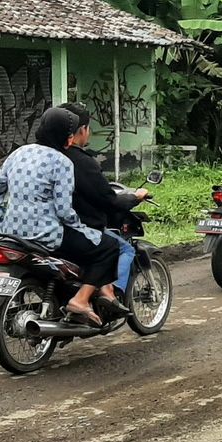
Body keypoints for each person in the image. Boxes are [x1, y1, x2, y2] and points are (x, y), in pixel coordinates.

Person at [0, 107, 124, 326]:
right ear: (68, 138)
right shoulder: (62, 162)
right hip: (46, 237)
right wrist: (83, 229)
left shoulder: (18, 153)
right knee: (108, 246)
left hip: (11, 236)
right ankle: (80, 300)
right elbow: (64, 210)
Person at [59, 102, 147, 303]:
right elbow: (108, 200)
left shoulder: (41, 157)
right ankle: (110, 295)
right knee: (122, 248)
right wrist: (135, 197)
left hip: (39, 228)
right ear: (82, 130)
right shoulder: (81, 162)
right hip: (77, 228)